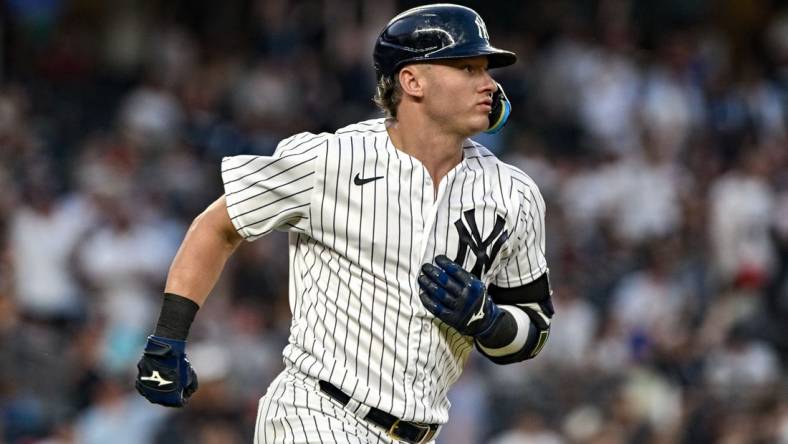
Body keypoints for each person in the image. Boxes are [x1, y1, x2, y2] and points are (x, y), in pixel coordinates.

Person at [135, 4, 555, 443]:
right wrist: (169, 338)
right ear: (412, 81)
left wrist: (488, 321)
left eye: (486, 69)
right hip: (316, 413)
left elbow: (535, 327)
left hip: (421, 432)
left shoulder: (513, 193)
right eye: (467, 68)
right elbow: (218, 226)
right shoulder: (330, 160)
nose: (488, 83)